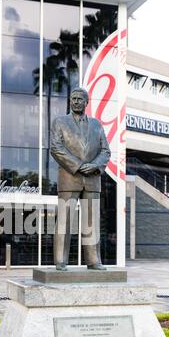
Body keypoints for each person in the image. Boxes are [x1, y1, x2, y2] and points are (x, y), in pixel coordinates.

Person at [51, 87, 111, 271]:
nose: (76, 101)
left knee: (91, 223)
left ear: (87, 102)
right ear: (70, 101)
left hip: (92, 179)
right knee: (64, 221)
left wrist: (93, 166)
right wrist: (78, 165)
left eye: (80, 99)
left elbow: (105, 151)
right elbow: (56, 148)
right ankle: (60, 261)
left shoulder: (96, 124)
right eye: (73, 98)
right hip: (69, 178)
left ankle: (93, 261)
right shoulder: (60, 122)